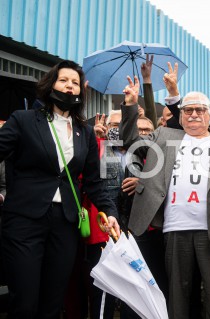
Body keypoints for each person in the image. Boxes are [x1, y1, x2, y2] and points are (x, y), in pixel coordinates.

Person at [119, 75, 210, 319]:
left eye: (199, 110)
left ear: (209, 115)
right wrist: (130, 104)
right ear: (180, 116)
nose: (193, 115)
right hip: (175, 228)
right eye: (188, 110)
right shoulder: (164, 136)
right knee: (177, 292)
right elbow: (130, 141)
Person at [0, 60, 120, 318]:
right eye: (63, 80)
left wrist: (110, 212)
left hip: (65, 224)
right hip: (24, 221)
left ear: (80, 91)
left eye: (75, 82)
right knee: (25, 301)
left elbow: (93, 181)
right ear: (50, 84)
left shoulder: (84, 132)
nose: (69, 86)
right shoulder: (23, 120)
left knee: (54, 303)